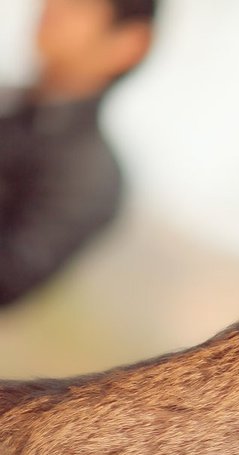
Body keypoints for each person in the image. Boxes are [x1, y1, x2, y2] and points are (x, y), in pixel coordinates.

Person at [0, 0, 157, 308]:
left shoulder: (89, 174)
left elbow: (8, 278)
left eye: (79, 5)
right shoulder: (9, 103)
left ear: (129, 43)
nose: (52, 7)